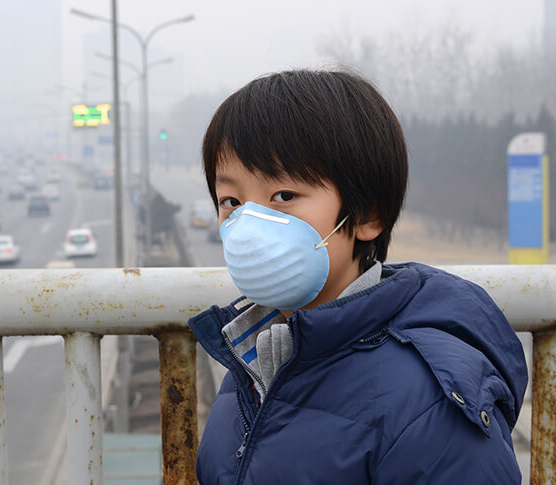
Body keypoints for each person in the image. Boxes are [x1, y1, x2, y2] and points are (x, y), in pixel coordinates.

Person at [189, 70, 528, 484]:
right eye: (231, 201)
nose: (248, 223)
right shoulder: (252, 365)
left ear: (366, 214)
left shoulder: (429, 406)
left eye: (283, 196)